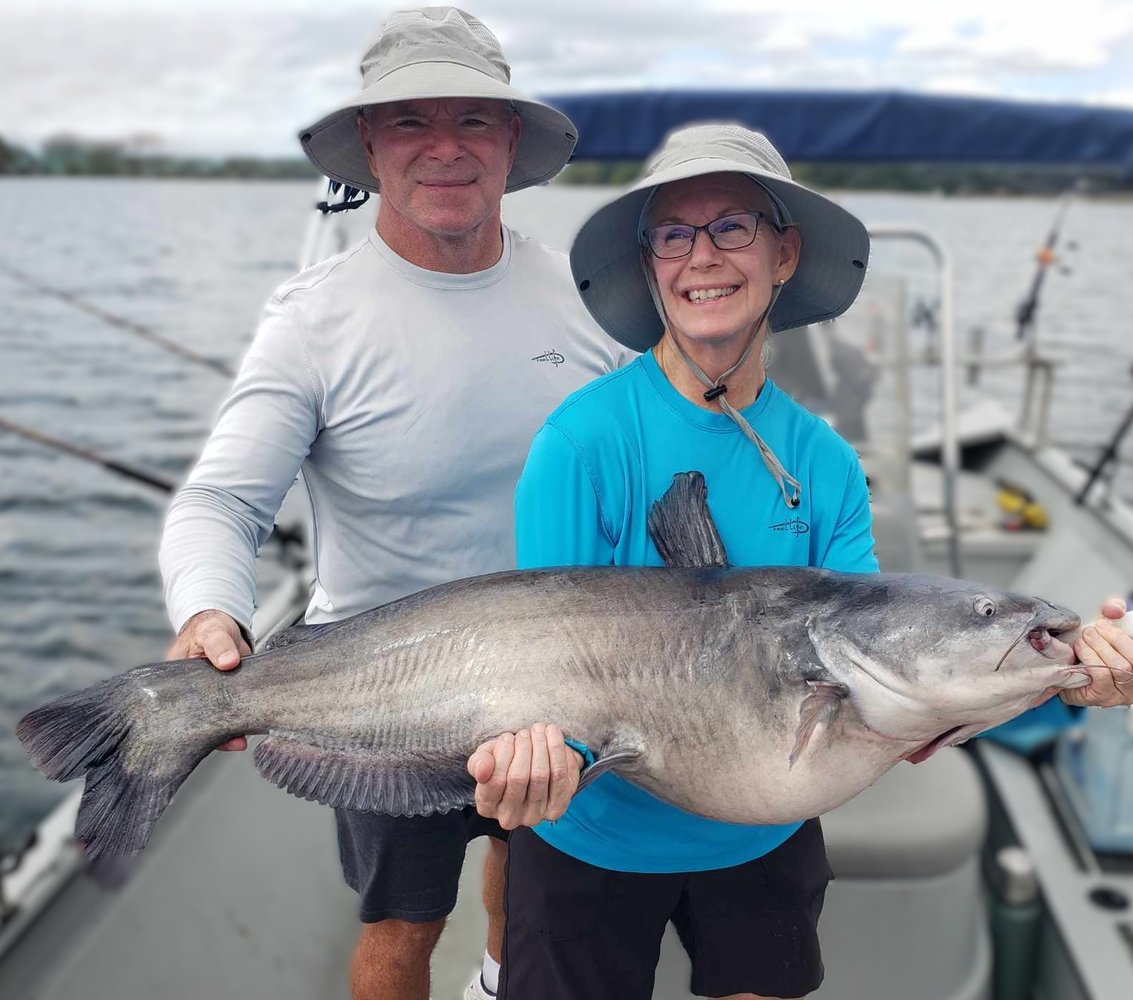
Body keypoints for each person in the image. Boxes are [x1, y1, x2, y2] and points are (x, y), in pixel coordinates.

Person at [468, 122, 1133, 1000]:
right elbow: (543, 664)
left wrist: (1063, 676)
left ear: (784, 254)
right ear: (649, 265)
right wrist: (530, 758)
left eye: (732, 227)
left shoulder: (821, 462)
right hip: (594, 836)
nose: (701, 257)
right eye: (674, 234)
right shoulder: (582, 441)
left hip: (764, 832)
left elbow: (892, 673)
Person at [158, 8, 627, 1000]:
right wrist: (209, 613)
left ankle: (499, 981)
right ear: (369, 143)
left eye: (473, 120)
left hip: (560, 677)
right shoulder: (311, 322)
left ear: (510, 140)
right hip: (377, 690)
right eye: (410, 122)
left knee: (529, 869)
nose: (445, 148)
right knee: (401, 923)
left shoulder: (589, 299)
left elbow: (651, 470)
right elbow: (220, 501)